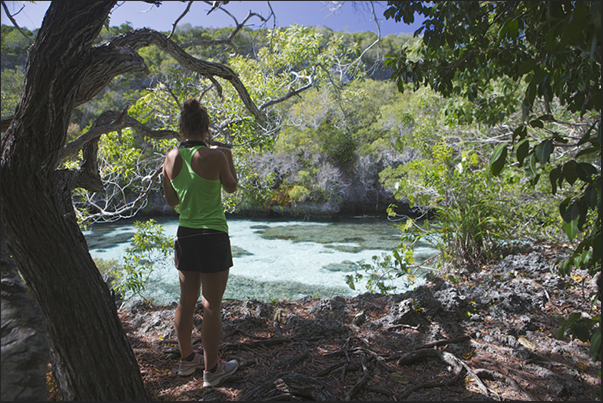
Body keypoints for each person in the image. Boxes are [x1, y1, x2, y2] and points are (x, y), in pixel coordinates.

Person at [162, 98, 239, 387]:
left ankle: (186, 361)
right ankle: (212, 371)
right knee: (211, 306)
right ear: (206, 128)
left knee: (187, 299)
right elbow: (231, 187)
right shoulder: (217, 155)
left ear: (182, 128)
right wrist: (227, 158)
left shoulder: (170, 158)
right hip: (214, 235)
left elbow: (172, 202)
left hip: (187, 235)